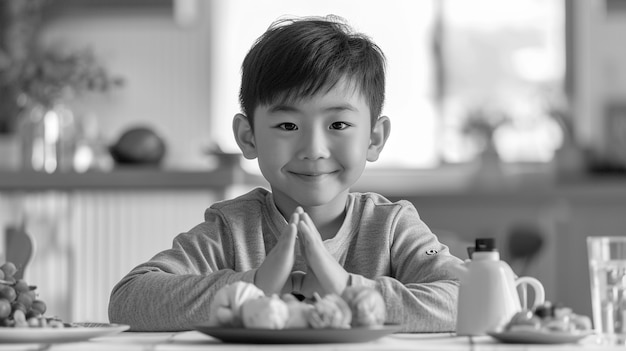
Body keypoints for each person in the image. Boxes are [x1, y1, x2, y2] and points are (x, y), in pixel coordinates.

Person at [108, 15, 463, 332]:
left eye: (338, 123)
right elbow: (128, 299)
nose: (313, 148)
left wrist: (349, 289)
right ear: (248, 138)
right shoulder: (232, 229)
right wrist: (256, 284)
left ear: (374, 138)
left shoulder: (390, 227)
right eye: (288, 124)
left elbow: (466, 295)